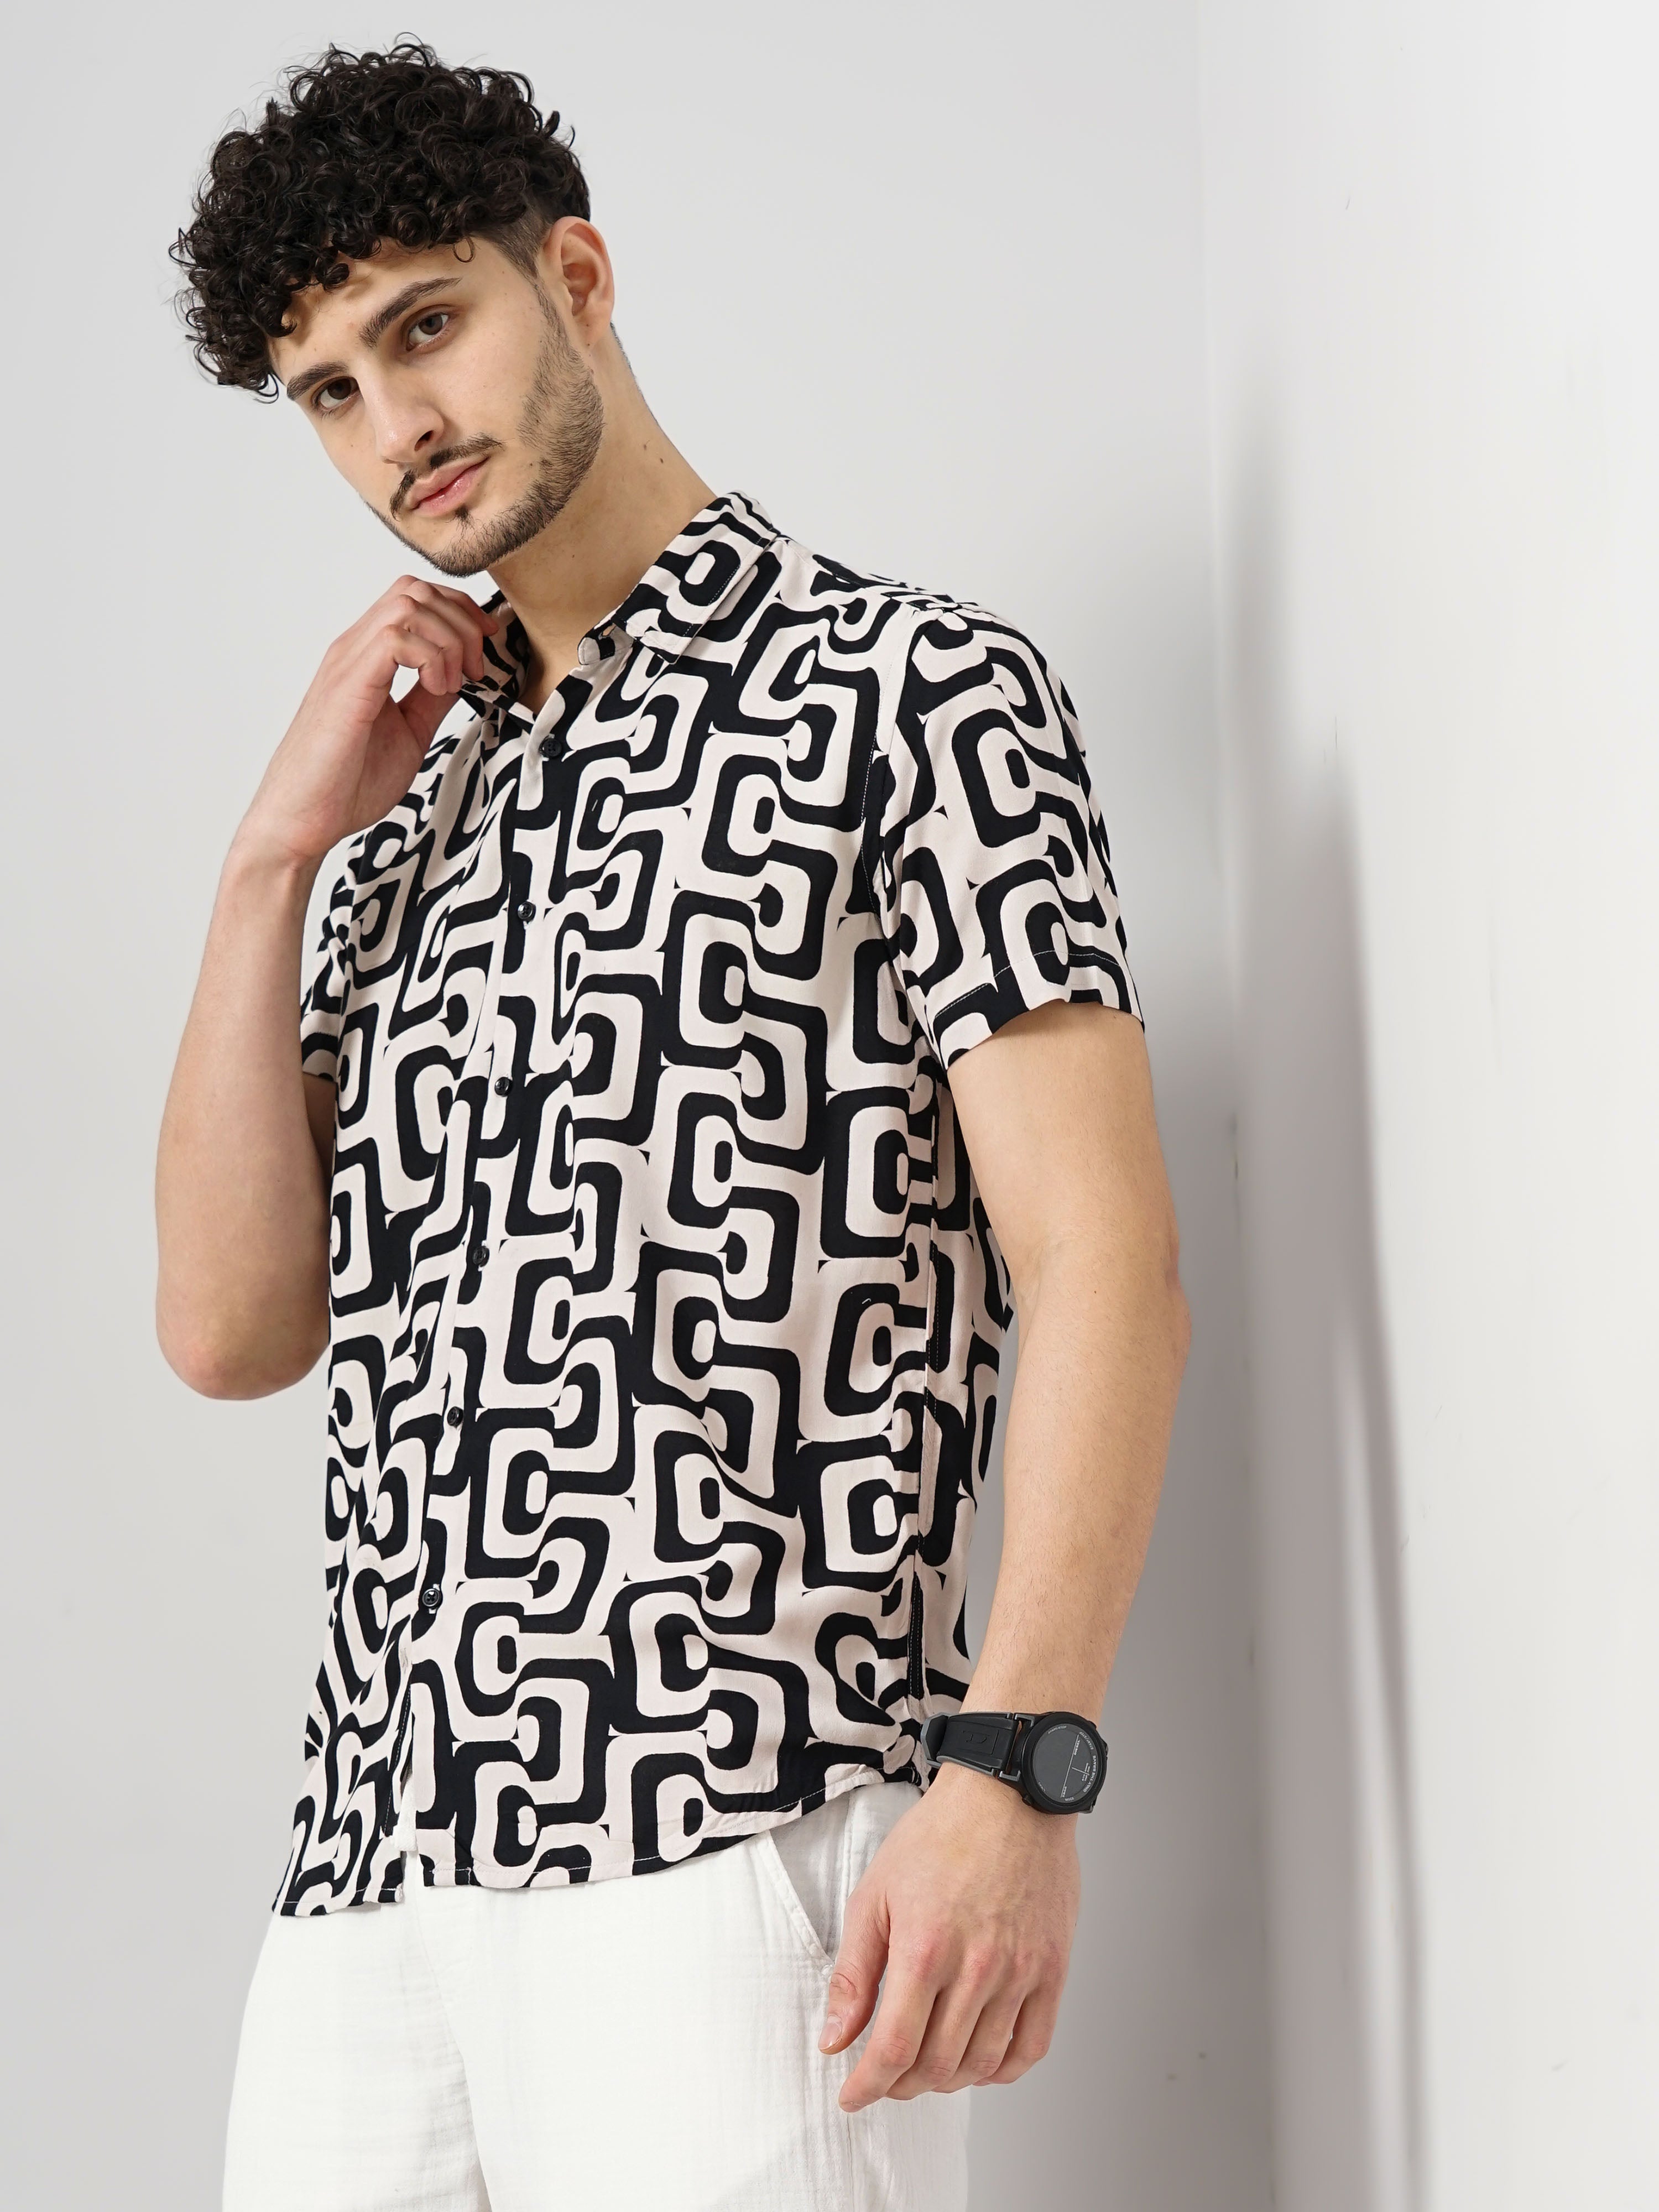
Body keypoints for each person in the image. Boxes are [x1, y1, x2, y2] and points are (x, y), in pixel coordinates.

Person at [157, 40, 1190, 2212]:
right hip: (372, 1878)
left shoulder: (914, 693)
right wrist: (269, 864)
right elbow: (236, 1327)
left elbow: (1104, 1258)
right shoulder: (407, 817)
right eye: (328, 390)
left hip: (737, 1836)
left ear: (578, 277)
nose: (395, 425)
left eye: (425, 327)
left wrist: (1017, 1773)